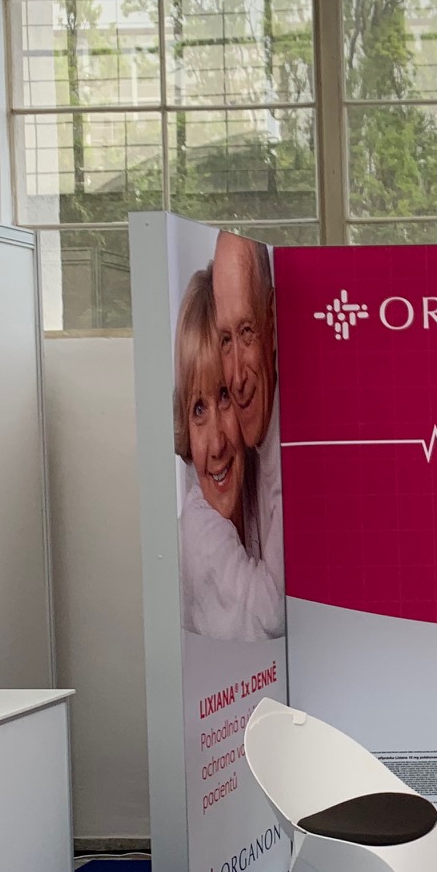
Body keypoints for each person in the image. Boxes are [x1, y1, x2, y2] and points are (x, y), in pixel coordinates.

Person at [174, 268, 285, 640]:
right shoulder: (199, 531)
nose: (216, 443)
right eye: (198, 410)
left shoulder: (250, 489)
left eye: (224, 397)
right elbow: (274, 616)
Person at [212, 232, 281, 590]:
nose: (237, 378)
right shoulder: (234, 445)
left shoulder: (293, 459)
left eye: (247, 332)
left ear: (272, 320)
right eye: (226, 340)